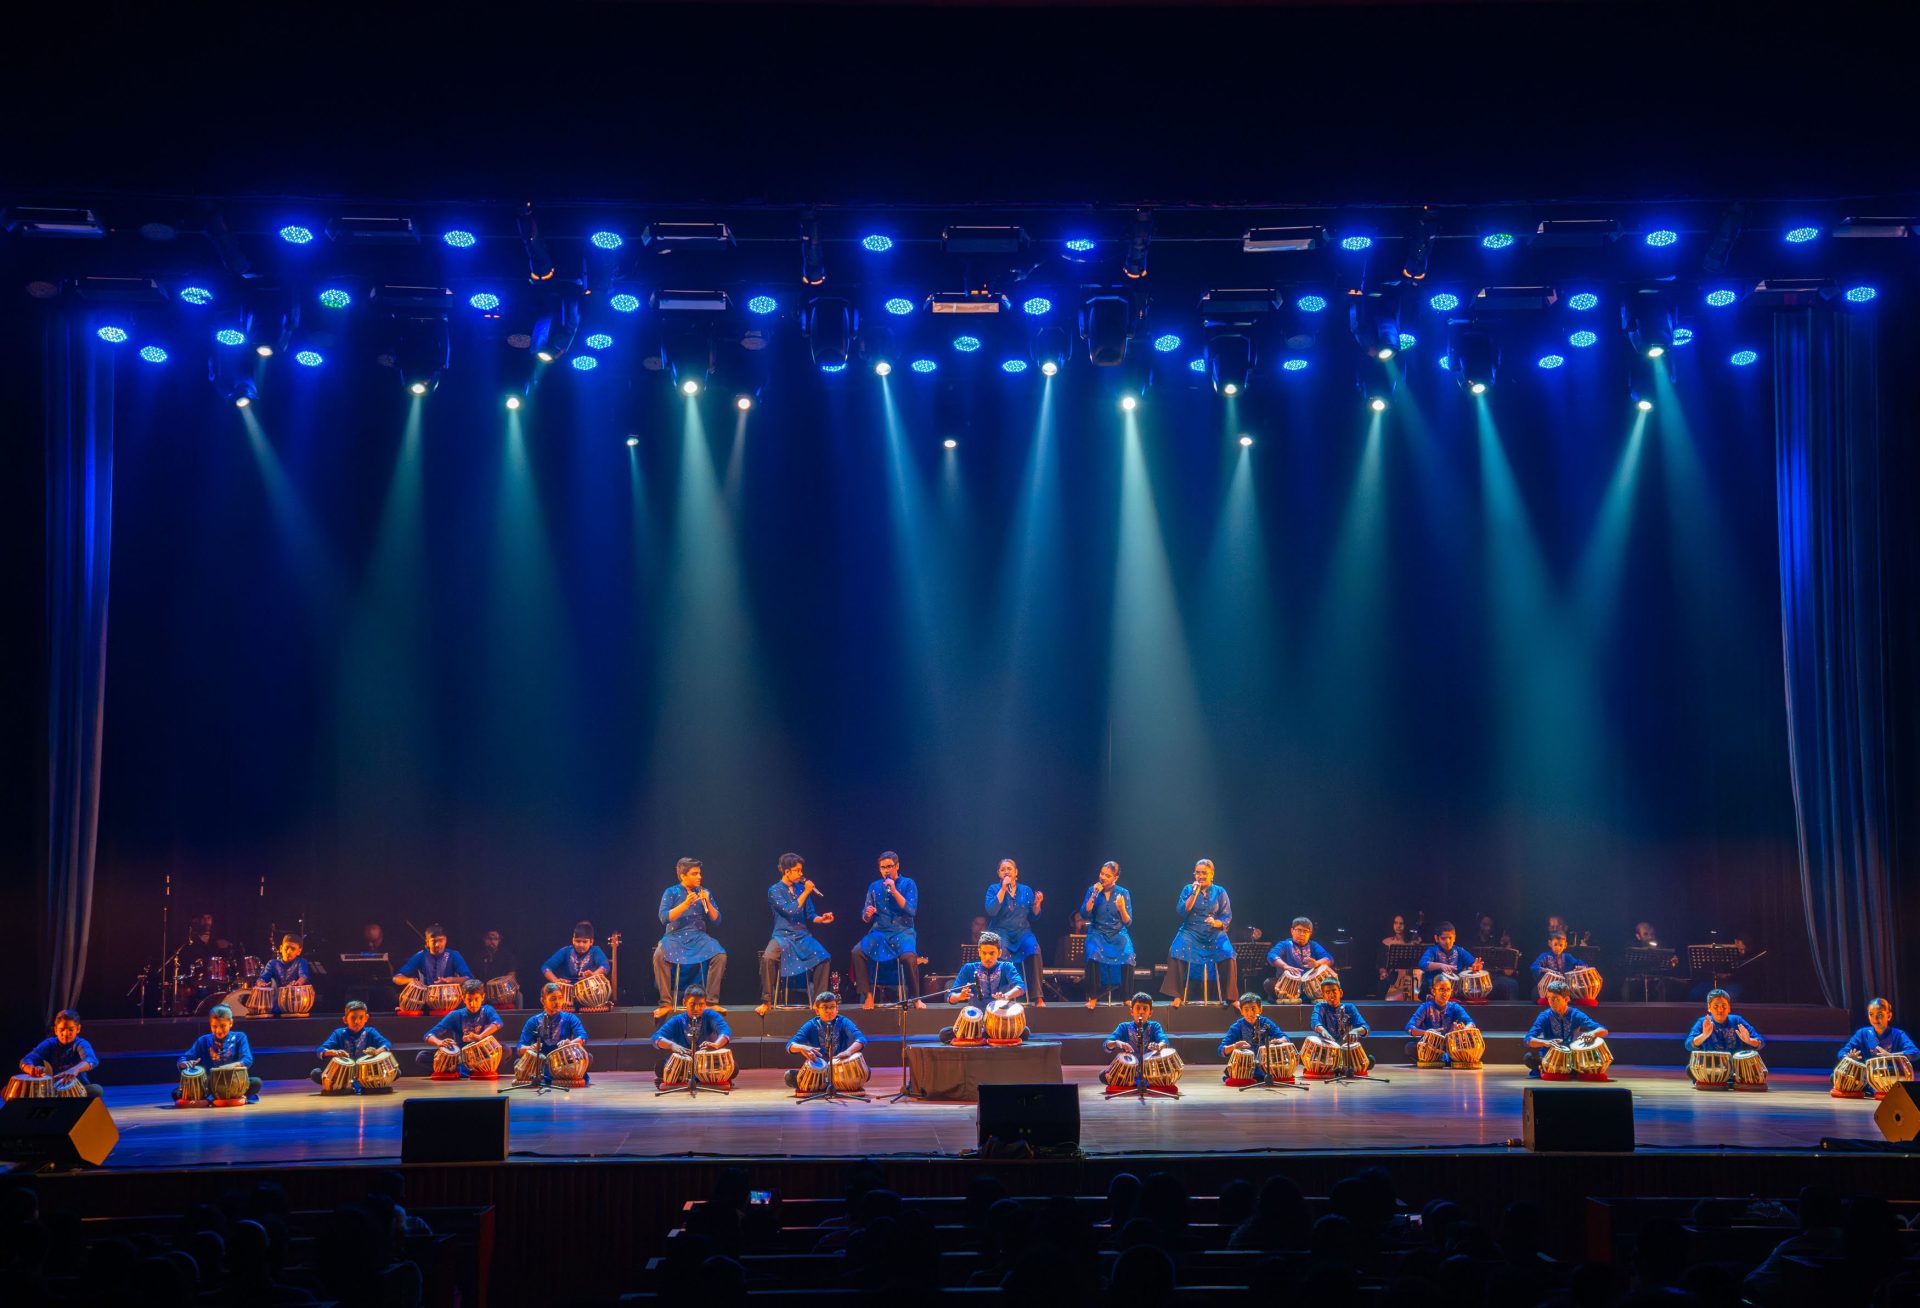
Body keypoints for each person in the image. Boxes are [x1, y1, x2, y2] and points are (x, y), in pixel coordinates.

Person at [756, 854, 833, 1017]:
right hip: (782, 936)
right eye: (797, 871)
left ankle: (820, 1001)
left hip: (802, 936)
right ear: (786, 871)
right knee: (768, 958)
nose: (800, 874)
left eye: (801, 870)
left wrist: (821, 919)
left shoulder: (800, 888)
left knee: (824, 957)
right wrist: (806, 892)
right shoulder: (774, 890)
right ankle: (766, 1001)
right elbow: (790, 911)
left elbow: (810, 914)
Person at [655, 856, 728, 1018]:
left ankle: (711, 1002)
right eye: (695, 874)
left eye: (699, 873)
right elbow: (664, 918)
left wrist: (707, 901)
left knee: (720, 955)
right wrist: (686, 904)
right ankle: (665, 1003)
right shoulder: (671, 892)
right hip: (675, 936)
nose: (699, 877)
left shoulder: (704, 892)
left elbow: (717, 920)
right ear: (683, 876)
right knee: (659, 955)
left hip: (698, 937)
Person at [851, 850, 922, 1010]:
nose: (886, 870)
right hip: (880, 932)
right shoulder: (874, 886)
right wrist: (867, 914)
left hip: (903, 931)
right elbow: (865, 915)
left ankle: (915, 998)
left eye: (889, 866)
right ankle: (868, 996)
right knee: (857, 952)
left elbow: (911, 910)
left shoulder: (908, 883)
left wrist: (894, 891)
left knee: (909, 957)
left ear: (897, 866)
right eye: (883, 867)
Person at [1163, 858, 1236, 1007]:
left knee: (1228, 953)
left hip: (1213, 932)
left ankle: (1232, 997)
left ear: (1212, 875)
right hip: (1190, 931)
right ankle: (1177, 995)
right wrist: (1194, 893)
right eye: (1197, 873)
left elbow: (1227, 916)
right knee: (1176, 949)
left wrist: (1216, 923)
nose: (1200, 876)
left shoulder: (1220, 891)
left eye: (1204, 873)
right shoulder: (1188, 889)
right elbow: (1182, 911)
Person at [984, 858, 1046, 1007]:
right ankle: (1003, 995)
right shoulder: (993, 889)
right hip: (1001, 931)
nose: (1006, 871)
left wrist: (1037, 904)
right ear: (999, 873)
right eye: (1003, 869)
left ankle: (1037, 997)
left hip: (1022, 931)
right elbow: (991, 911)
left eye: (1009, 868)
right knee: (1001, 951)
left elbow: (1034, 916)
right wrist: (1003, 889)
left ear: (1016, 872)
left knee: (1034, 948)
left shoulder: (1026, 890)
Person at [1833, 997, 1918, 1098]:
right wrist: (1848, 1058)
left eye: (1880, 1015)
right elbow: (1842, 1052)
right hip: (1867, 1079)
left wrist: (1891, 1056)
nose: (1875, 1019)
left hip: (1888, 1078)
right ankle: (1869, 1089)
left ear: (1889, 1016)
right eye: (1871, 1014)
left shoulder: (1898, 1034)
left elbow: (1915, 1053)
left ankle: (1872, 1090)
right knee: (1834, 1077)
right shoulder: (1862, 1033)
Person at [1524, 980, 1610, 1079]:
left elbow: (1603, 1030)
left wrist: (1593, 1033)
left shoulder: (1575, 1014)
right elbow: (1528, 1040)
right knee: (1529, 1058)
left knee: (1594, 1059)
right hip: (1550, 1056)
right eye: (1549, 998)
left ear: (1566, 999)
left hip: (1572, 1057)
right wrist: (1546, 1042)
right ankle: (1551, 1068)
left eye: (1555, 998)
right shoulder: (1544, 1016)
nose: (1551, 1002)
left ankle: (1549, 1070)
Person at [421, 979, 505, 1078]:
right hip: (460, 1057)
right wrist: (439, 1043)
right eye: (469, 1000)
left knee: (505, 1049)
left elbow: (498, 1023)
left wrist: (480, 1036)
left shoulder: (487, 1010)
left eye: (476, 999)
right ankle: (459, 1069)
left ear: (483, 997)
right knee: (422, 1056)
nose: (473, 1004)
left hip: (482, 1055)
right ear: (463, 998)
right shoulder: (455, 1015)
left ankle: (469, 1070)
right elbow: (428, 1035)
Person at [178, 1004, 260, 1105]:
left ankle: (209, 1100)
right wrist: (184, 1063)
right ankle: (229, 1099)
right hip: (210, 1085)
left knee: (256, 1082)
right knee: (177, 1093)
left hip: (233, 1083)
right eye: (214, 1026)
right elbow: (184, 1058)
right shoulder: (203, 1040)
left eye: (223, 1026)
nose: (218, 1030)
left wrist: (232, 1066)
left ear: (231, 1023)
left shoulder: (239, 1037)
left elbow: (247, 1059)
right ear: (210, 1024)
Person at [654, 985, 732, 1088]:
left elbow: (725, 1030)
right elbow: (657, 1037)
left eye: (701, 1004)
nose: (697, 1008)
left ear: (705, 1004)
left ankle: (675, 1082)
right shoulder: (677, 1020)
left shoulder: (709, 1015)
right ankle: (705, 1083)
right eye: (692, 1004)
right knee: (660, 1067)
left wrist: (716, 1045)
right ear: (684, 1003)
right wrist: (672, 1045)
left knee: (733, 1068)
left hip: (705, 1066)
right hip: (683, 1065)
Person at [784, 991, 865, 1090]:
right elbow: (790, 1045)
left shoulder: (843, 1022)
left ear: (837, 1009)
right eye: (825, 1007)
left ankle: (821, 1087)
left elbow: (861, 1039)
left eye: (832, 1007)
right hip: (819, 1072)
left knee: (867, 1072)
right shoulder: (811, 1025)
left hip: (840, 1071)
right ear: (817, 1010)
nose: (829, 1011)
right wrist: (802, 1047)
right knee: (789, 1076)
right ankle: (827, 1085)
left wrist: (848, 1051)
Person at [1081, 861, 1135, 1008]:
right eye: (1102, 873)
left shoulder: (1123, 893)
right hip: (1097, 932)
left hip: (1117, 932)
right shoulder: (1092, 890)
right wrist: (1093, 895)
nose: (1103, 877)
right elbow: (1084, 913)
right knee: (1093, 953)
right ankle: (1093, 997)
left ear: (1115, 878)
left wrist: (1122, 908)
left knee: (1129, 954)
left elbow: (1128, 922)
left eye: (1107, 875)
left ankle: (1127, 997)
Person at [1683, 988, 1765, 1084]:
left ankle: (1729, 1078)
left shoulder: (1737, 1020)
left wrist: (1749, 1041)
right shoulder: (1703, 1022)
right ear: (1709, 1007)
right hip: (1713, 1067)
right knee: (1690, 1069)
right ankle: (1727, 1079)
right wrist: (1704, 1035)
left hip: (1735, 1067)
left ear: (1729, 1007)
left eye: (1724, 1006)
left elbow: (1761, 1042)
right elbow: (1688, 1045)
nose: (1720, 1009)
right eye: (1716, 1006)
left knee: (1755, 1068)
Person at [14, 1010, 101, 1099]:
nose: (66, 1033)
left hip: (78, 1090)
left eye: (71, 1029)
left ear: (78, 1029)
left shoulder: (81, 1043)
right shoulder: (50, 1044)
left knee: (96, 1090)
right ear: (55, 1030)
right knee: (12, 1090)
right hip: (52, 1090)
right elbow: (25, 1060)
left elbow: (91, 1060)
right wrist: (32, 1070)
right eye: (62, 1029)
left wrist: (74, 1070)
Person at [518, 982, 591, 1085]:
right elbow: (520, 1047)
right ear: (543, 1001)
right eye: (553, 999)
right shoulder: (533, 1021)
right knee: (518, 1062)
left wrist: (570, 1043)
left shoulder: (570, 1018)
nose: (558, 1002)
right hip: (542, 1064)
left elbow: (583, 1036)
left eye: (560, 998)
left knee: (588, 1057)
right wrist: (530, 1048)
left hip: (563, 1063)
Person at [391, 925, 472, 1013]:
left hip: (451, 1000)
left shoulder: (454, 955)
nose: (437, 945)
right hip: (427, 1000)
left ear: (445, 940)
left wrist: (451, 980)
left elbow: (468, 978)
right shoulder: (421, 956)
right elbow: (396, 978)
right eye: (433, 941)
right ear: (427, 942)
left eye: (441, 940)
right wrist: (409, 980)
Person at [311, 1000, 393, 1087]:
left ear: (366, 1018)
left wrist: (376, 1051)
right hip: (344, 1075)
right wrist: (334, 1052)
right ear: (345, 1019)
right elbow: (320, 1050)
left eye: (361, 1017)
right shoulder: (338, 1033)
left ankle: (358, 1085)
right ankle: (348, 1084)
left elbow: (387, 1044)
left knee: (394, 1071)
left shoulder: (370, 1032)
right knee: (316, 1073)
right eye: (353, 1018)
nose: (357, 1021)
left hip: (367, 1074)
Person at [1403, 976, 1477, 1066]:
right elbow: (1410, 1027)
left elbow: (1471, 1023)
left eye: (1448, 989)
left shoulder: (1454, 1007)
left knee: (1473, 1041)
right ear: (1433, 991)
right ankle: (1446, 1060)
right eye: (1442, 989)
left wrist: (1463, 1029)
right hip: (1432, 1048)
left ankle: (1441, 1060)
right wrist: (1427, 1033)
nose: (1445, 993)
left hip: (1452, 1047)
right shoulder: (1426, 1007)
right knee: (1409, 1047)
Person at [1102, 993, 1173, 1085]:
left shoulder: (1154, 1026)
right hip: (1129, 1070)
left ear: (1150, 1013)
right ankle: (1136, 1081)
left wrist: (1158, 1046)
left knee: (1168, 1073)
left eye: (1145, 1009)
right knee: (1103, 1075)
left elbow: (1165, 1041)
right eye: (1138, 1008)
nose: (1141, 1012)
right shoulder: (1124, 1026)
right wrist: (1117, 1043)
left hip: (1150, 1069)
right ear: (1131, 1011)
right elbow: (1106, 1045)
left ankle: (1133, 1082)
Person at [1219, 993, 1288, 1084]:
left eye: (1253, 1009)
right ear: (1241, 1011)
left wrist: (1280, 1040)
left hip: (1266, 1067)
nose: (1250, 1013)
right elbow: (1221, 1050)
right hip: (1244, 1068)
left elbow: (1285, 1037)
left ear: (1260, 1009)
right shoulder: (1237, 1026)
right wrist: (1234, 1046)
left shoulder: (1266, 1023)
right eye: (1246, 1010)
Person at [1268, 916, 1336, 1002]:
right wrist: (1285, 966)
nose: (1302, 934)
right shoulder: (1285, 944)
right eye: (1299, 930)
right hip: (1288, 987)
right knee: (1269, 983)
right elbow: (1272, 955)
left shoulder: (1313, 945)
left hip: (1309, 988)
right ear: (1292, 931)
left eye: (1306, 931)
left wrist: (1317, 963)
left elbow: (1329, 958)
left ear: (1310, 933)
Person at [542, 921, 611, 1005]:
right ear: (573, 940)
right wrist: (556, 981)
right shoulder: (566, 951)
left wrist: (593, 975)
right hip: (567, 994)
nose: (581, 944)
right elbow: (546, 967)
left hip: (589, 993)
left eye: (585, 942)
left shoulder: (595, 951)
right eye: (578, 941)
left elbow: (605, 966)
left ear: (591, 942)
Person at [1418, 922, 1491, 1001]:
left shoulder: (1460, 951)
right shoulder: (1432, 950)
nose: (1447, 941)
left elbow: (1473, 963)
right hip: (1433, 988)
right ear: (1436, 938)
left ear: (1454, 938)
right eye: (1443, 938)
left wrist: (1476, 967)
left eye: (1450, 938)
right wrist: (1440, 965)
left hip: (1454, 991)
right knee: (1425, 987)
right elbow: (1422, 964)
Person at [254, 933, 314, 1016]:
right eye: (287, 948)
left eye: (293, 949)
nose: (289, 951)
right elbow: (263, 978)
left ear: (299, 951)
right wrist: (261, 983)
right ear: (281, 948)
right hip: (277, 1004)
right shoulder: (273, 963)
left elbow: (303, 976)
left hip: (296, 1003)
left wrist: (297, 983)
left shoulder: (300, 962)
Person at [1530, 930, 1593, 1003]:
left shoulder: (1567, 957)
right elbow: (1534, 966)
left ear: (1565, 945)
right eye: (1555, 944)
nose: (1558, 948)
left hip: (1564, 987)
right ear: (1550, 943)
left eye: (1561, 945)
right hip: (1548, 988)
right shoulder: (1545, 956)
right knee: (1536, 994)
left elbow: (1578, 962)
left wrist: (1581, 966)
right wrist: (1544, 970)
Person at [1309, 978, 1370, 1049]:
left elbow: (1365, 1027)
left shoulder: (1349, 1008)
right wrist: (1323, 1030)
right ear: (1323, 995)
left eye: (1334, 991)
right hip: (1326, 1049)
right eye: (1327, 992)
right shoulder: (1320, 1007)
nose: (1331, 995)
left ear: (1340, 993)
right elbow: (1315, 1022)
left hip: (1346, 1049)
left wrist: (1355, 1031)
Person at [1379, 914, 1419, 1000]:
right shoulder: (1386, 942)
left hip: (1410, 975)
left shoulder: (1412, 942)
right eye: (1396, 923)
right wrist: (1383, 972)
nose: (1398, 926)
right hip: (1394, 976)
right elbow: (1380, 963)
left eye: (1401, 923)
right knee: (1383, 985)